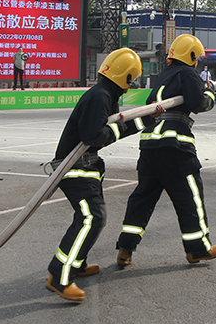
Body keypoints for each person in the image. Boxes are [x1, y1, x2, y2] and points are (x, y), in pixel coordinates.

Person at [116, 34, 216, 269]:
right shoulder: (188, 73)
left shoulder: (163, 75)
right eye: (198, 59)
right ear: (192, 57)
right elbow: (197, 103)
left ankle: (125, 249)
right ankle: (197, 249)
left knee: (143, 198)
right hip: (175, 145)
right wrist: (210, 91)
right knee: (189, 197)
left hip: (150, 145)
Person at [45, 47, 144, 302]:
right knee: (93, 218)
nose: (131, 85)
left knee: (89, 218)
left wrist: (146, 118)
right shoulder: (99, 96)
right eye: (131, 79)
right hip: (74, 168)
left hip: (86, 167)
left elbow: (114, 127)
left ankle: (75, 264)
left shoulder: (105, 95)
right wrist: (120, 129)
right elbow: (93, 136)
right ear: (126, 77)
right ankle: (58, 275)